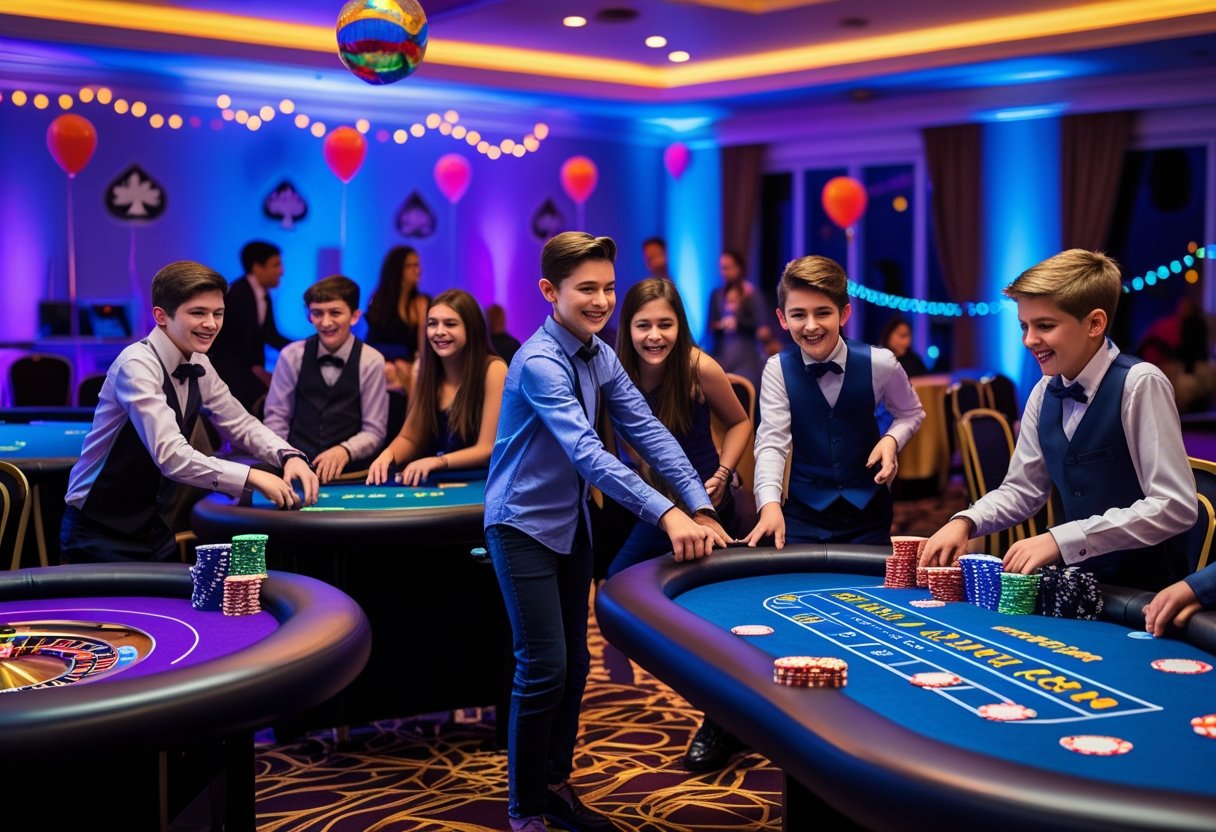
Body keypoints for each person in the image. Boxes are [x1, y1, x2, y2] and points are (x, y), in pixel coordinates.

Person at [484, 231, 730, 832]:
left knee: (575, 666)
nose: (601, 300)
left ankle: (554, 786)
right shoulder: (541, 361)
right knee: (542, 667)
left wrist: (698, 503)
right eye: (586, 289)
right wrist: (665, 513)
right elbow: (590, 454)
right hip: (521, 525)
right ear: (550, 291)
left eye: (608, 288)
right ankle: (524, 813)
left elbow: (646, 430)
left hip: (571, 525)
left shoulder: (599, 352)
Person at [919, 249, 1197, 591]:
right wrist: (966, 520)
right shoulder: (1043, 391)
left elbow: (1175, 506)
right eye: (1024, 326)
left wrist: (1061, 540)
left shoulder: (1139, 383)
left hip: (1146, 590)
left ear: (1095, 323)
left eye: (1045, 326)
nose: (1029, 340)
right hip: (1074, 584)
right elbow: (1023, 489)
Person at [60, 261, 318, 564]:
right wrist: (252, 476)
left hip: (156, 529)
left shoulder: (199, 361)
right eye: (198, 313)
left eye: (217, 313)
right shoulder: (136, 366)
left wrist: (288, 455)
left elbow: (240, 423)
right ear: (161, 316)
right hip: (98, 532)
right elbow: (172, 457)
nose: (211, 323)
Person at [607, 277, 753, 773]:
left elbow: (740, 422)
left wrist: (722, 474)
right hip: (654, 508)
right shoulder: (614, 370)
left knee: (709, 617)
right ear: (627, 328)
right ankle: (721, 707)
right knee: (625, 599)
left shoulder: (696, 366)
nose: (654, 335)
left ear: (680, 326)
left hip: (706, 510)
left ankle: (722, 718)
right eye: (643, 324)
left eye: (665, 324)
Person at [744, 255, 925, 548]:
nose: (811, 325)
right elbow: (771, 443)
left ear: (844, 314)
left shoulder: (881, 363)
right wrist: (768, 504)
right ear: (782, 318)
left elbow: (911, 413)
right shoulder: (777, 368)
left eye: (823, 313)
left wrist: (892, 439)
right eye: (799, 314)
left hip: (869, 515)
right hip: (801, 516)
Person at [366, 289, 506, 487]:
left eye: (450, 324)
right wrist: (387, 455)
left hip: (482, 486)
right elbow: (410, 438)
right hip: (437, 484)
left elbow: (486, 449)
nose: (439, 331)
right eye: (432, 324)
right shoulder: (428, 372)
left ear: (471, 328)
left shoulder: (494, 369)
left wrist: (438, 462)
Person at [263, 275, 389, 483]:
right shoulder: (291, 355)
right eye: (317, 313)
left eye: (335, 313)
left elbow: (374, 431)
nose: (326, 322)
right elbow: (277, 419)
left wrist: (344, 450)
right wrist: (289, 457)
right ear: (309, 315)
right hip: (295, 470)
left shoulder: (372, 360)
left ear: (355, 316)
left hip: (353, 474)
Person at [207, 240, 291, 415]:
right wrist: (256, 370)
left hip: (245, 369)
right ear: (257, 267)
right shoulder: (237, 294)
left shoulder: (262, 293)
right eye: (276, 265)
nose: (281, 271)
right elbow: (232, 344)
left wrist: (303, 348)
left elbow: (270, 334)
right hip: (230, 372)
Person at [706, 250, 777, 392]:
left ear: (739, 268)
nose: (724, 273)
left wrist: (739, 322)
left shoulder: (751, 294)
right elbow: (710, 326)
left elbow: (763, 329)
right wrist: (720, 326)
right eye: (722, 268)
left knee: (746, 391)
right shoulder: (717, 294)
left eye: (728, 268)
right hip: (723, 354)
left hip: (747, 353)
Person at [364, 245, 431, 394]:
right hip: (384, 367)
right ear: (397, 270)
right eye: (410, 266)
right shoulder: (379, 301)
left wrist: (422, 322)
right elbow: (371, 342)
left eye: (417, 265)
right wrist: (391, 363)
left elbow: (424, 348)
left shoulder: (423, 302)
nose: (418, 270)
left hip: (412, 370)